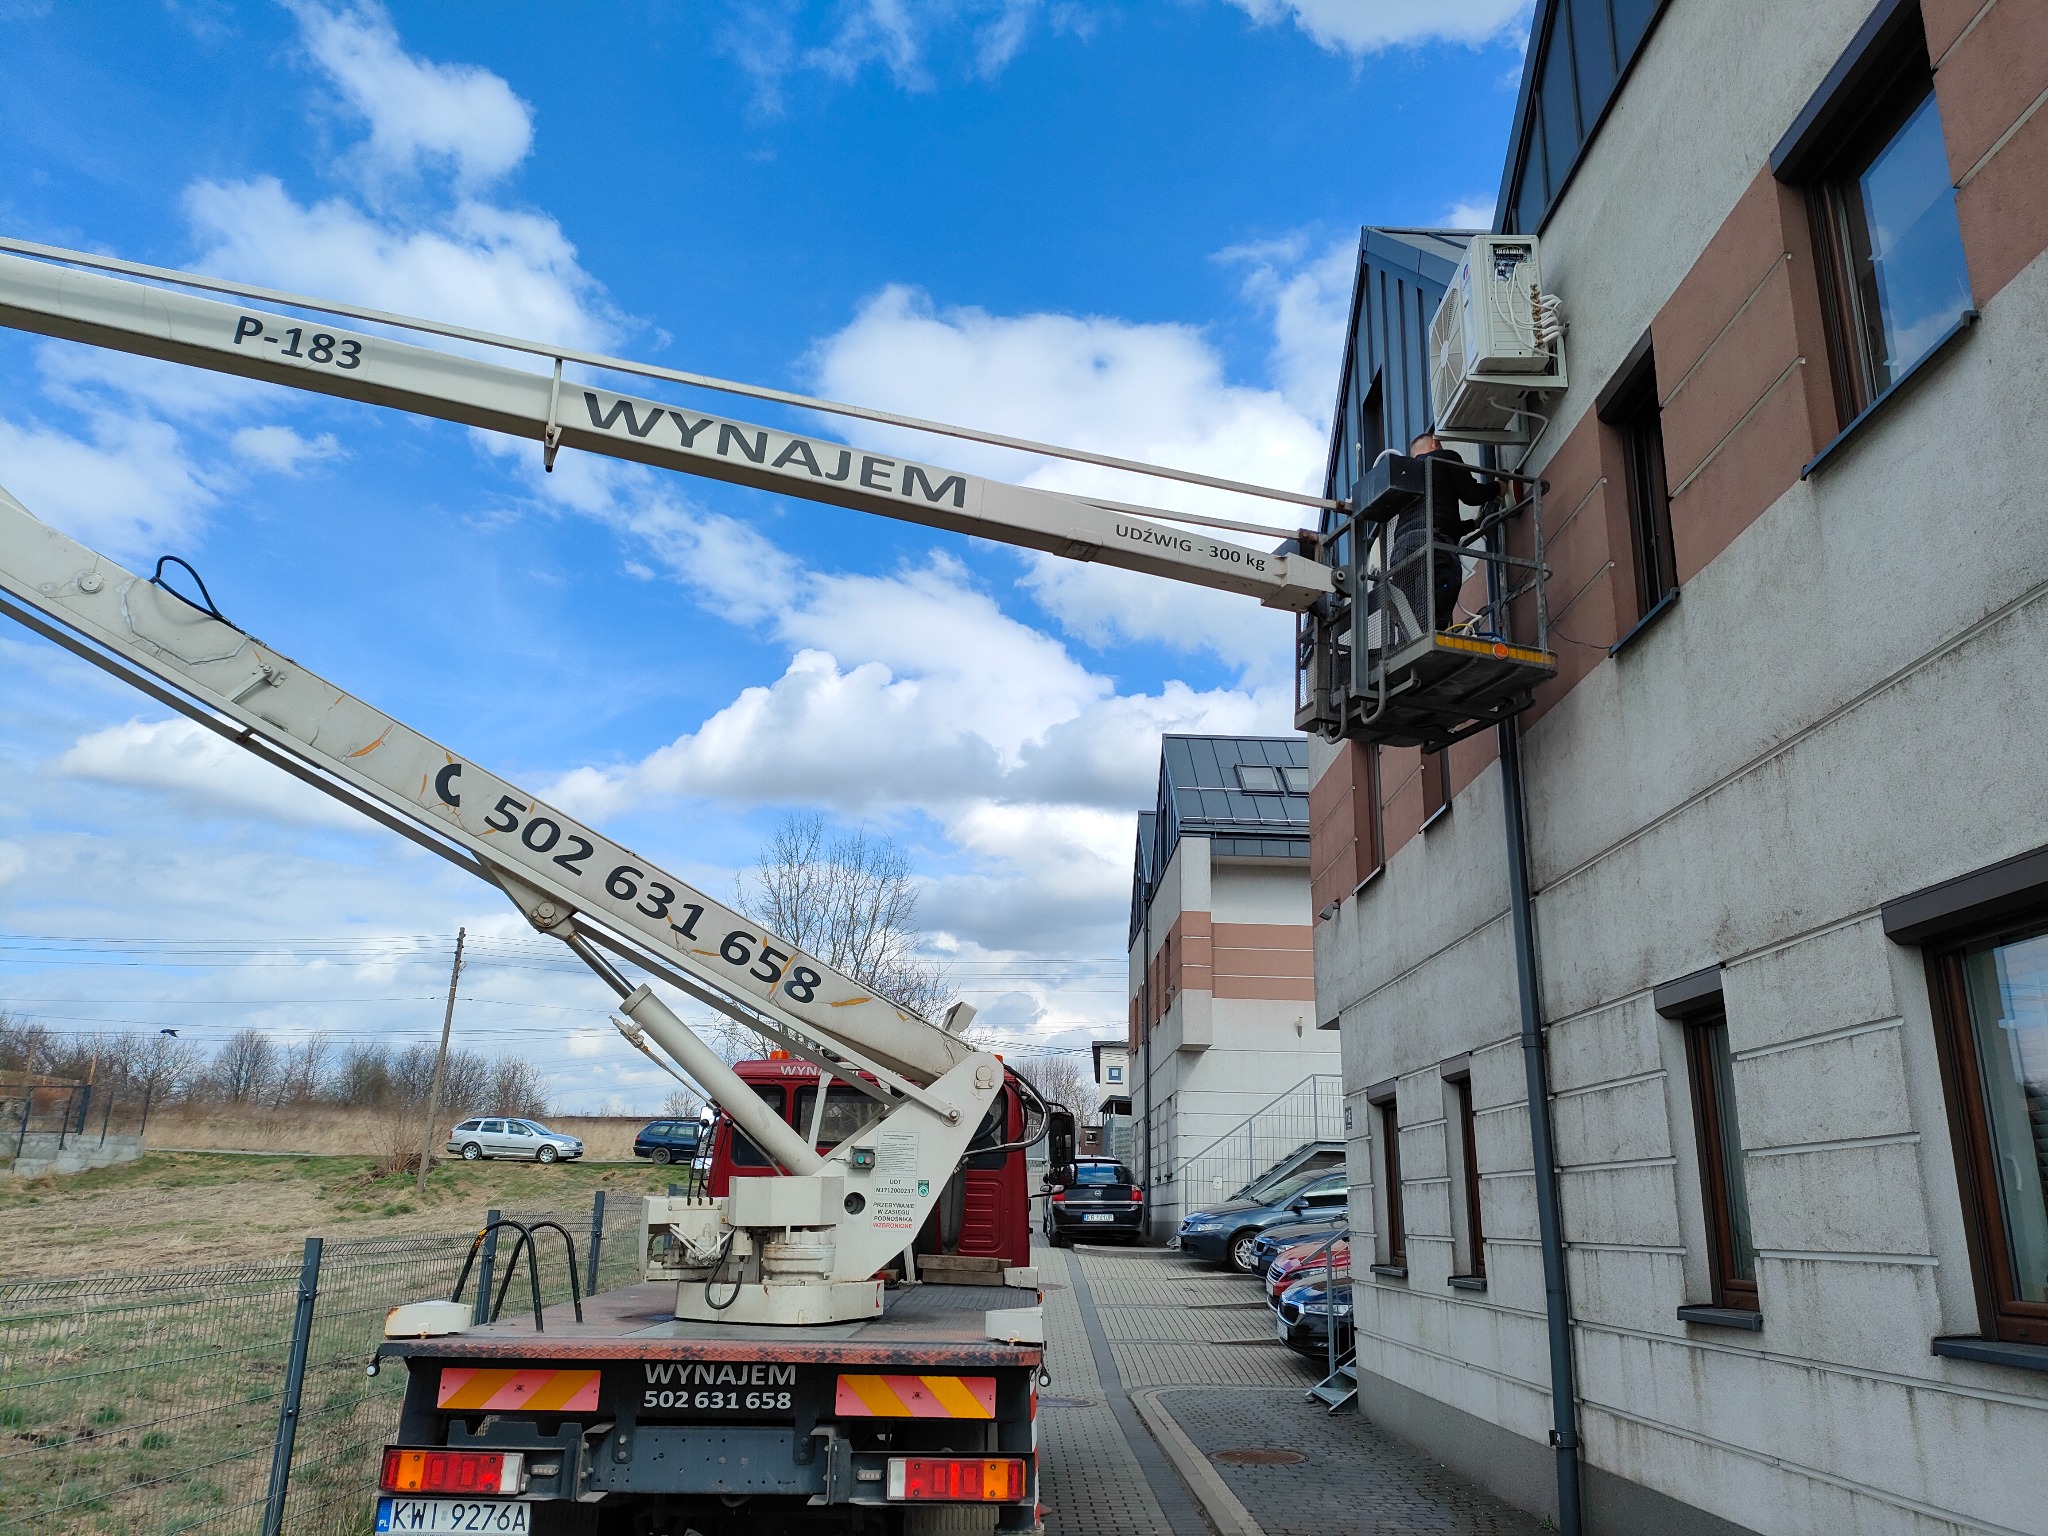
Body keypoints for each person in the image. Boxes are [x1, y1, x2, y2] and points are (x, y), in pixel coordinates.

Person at [1385, 432, 1494, 642]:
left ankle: (1411, 650)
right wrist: (1498, 487)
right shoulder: (1443, 457)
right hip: (1432, 545)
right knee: (1436, 603)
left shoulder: (1408, 476)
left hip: (1401, 552)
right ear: (1435, 444)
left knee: (1411, 617)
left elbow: (1438, 519)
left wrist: (1475, 523)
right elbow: (1472, 495)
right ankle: (1431, 644)